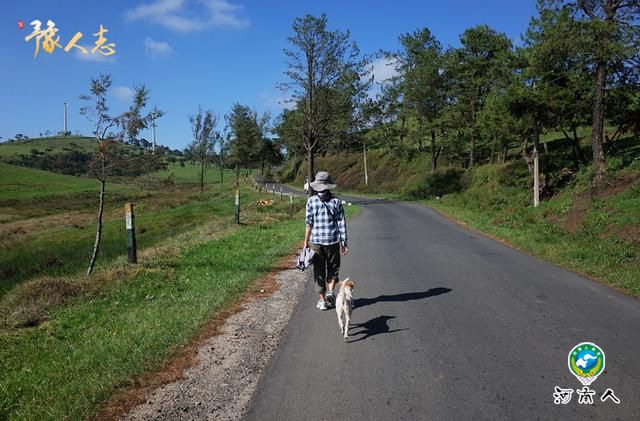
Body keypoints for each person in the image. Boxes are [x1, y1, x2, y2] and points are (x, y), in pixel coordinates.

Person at [302, 171, 348, 310]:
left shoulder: (311, 201)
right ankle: (330, 292)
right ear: (328, 186)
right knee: (333, 268)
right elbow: (341, 223)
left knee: (318, 270)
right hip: (333, 241)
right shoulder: (336, 202)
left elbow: (308, 223)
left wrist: (306, 241)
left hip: (316, 242)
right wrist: (344, 242)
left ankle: (322, 301)